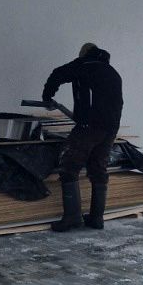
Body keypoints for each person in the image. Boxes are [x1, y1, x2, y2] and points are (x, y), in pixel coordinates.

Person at [42, 42, 123, 232]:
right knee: (98, 168)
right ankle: (97, 218)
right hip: (110, 128)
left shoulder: (85, 65)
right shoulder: (112, 72)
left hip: (89, 126)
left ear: (85, 54)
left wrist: (47, 97)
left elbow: (57, 74)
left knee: (69, 166)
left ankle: (72, 218)